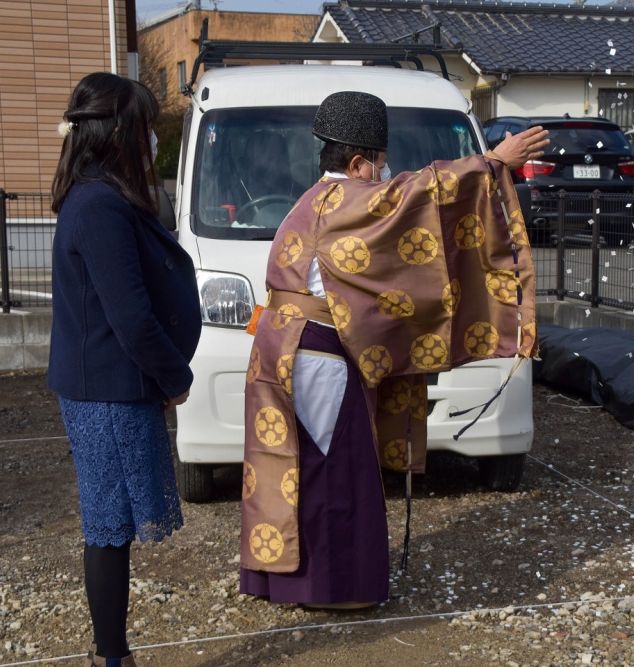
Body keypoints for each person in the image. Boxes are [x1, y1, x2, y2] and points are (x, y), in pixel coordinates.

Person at [239, 91, 548, 608]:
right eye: (380, 164)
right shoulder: (347, 201)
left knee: (294, 470)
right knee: (336, 471)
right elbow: (422, 193)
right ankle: (334, 590)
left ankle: (289, 582)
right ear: (359, 162)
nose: (387, 173)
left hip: (285, 348)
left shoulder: (309, 200)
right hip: (315, 355)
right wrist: (492, 162)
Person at [48, 72, 201, 667]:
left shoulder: (93, 195)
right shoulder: (100, 205)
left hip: (104, 385)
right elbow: (132, 315)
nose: (149, 143)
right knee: (109, 528)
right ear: (116, 132)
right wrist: (176, 379)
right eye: (141, 129)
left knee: (108, 526)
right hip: (107, 391)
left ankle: (111, 653)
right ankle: (112, 657)